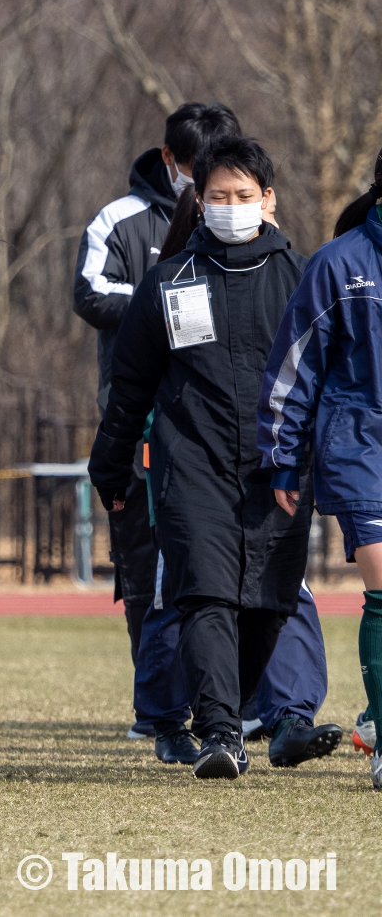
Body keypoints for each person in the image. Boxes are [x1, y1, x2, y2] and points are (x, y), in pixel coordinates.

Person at [90, 136, 342, 779]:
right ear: (198, 202)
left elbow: (330, 378)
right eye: (219, 196)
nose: (232, 206)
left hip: (279, 468)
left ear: (269, 200)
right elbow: (131, 383)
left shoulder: (303, 277)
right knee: (204, 591)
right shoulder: (169, 280)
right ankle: (221, 734)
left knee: (269, 598)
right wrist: (111, 464)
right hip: (191, 461)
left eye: (244, 195)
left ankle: (248, 712)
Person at [73, 102, 241, 742]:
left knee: (216, 562)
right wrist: (163, 305)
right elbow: (89, 294)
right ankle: (158, 706)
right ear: (171, 162)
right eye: (197, 170)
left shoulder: (240, 215)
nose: (212, 187)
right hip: (137, 410)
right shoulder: (120, 219)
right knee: (143, 563)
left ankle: (224, 701)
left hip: (215, 414)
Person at [258, 146, 382, 789]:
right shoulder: (340, 264)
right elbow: (294, 367)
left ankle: (376, 716)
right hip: (362, 443)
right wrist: (283, 459)